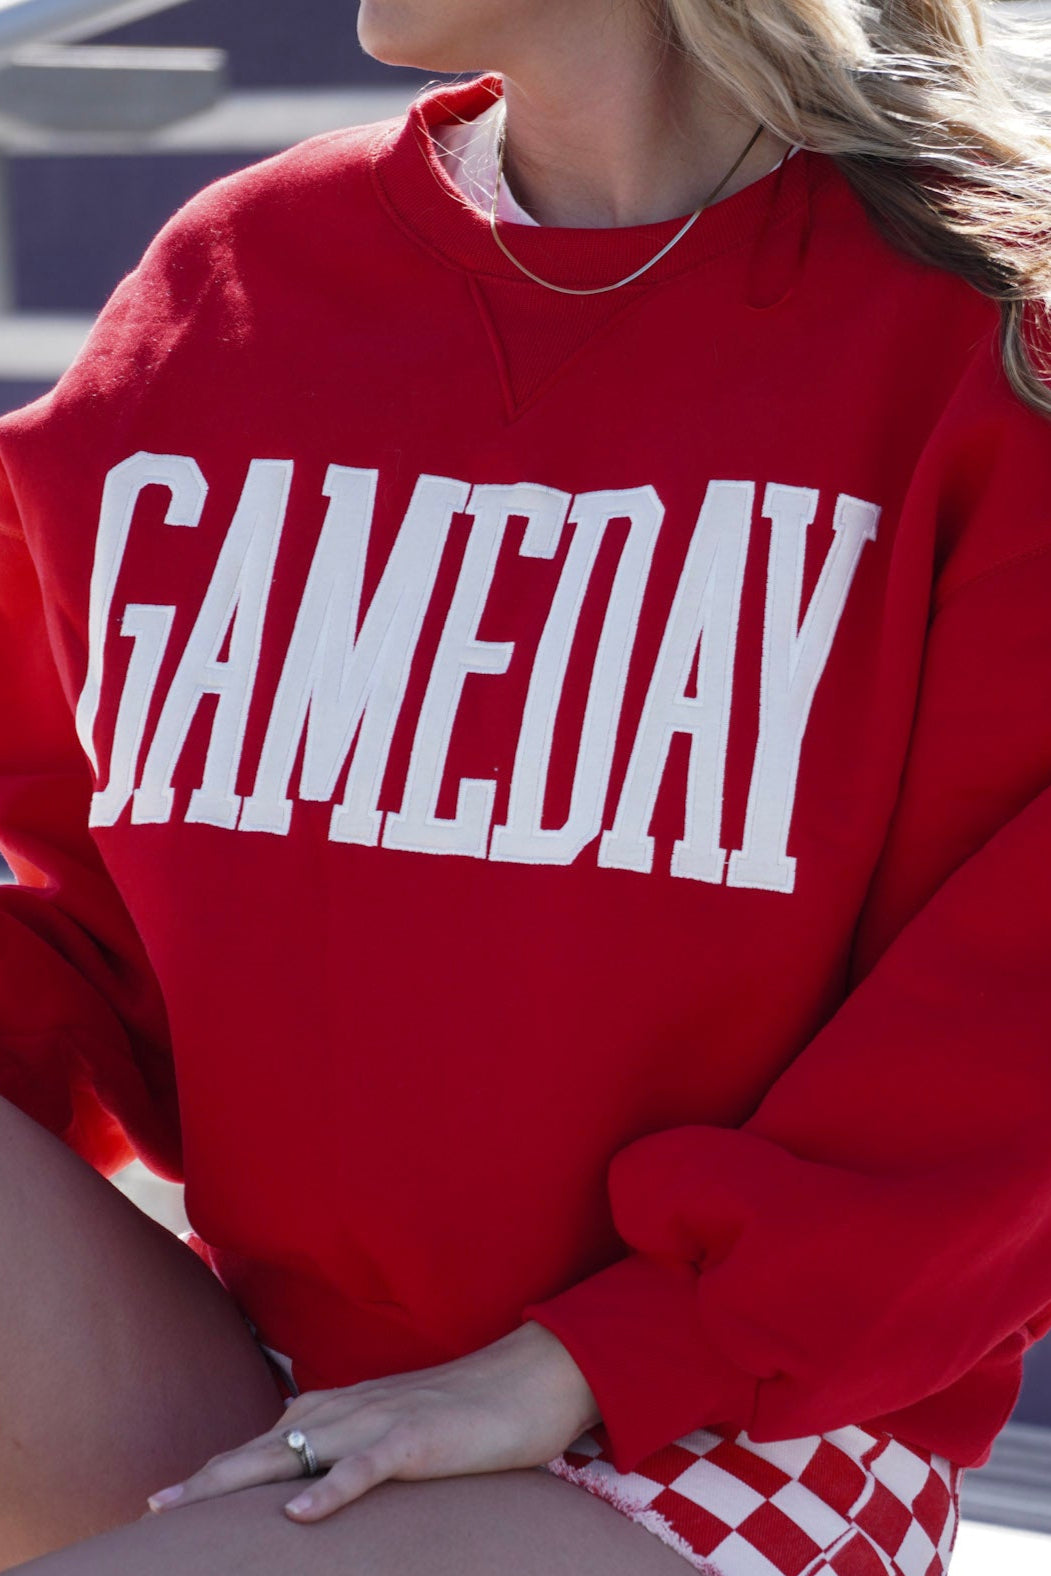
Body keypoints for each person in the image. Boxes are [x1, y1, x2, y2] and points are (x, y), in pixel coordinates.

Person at [0, 0, 1049, 1571]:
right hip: (273, 1376)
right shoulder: (247, 271)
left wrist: (568, 1368)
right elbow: (99, 917)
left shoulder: (988, 339)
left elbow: (1013, 1034)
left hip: (735, 1422)